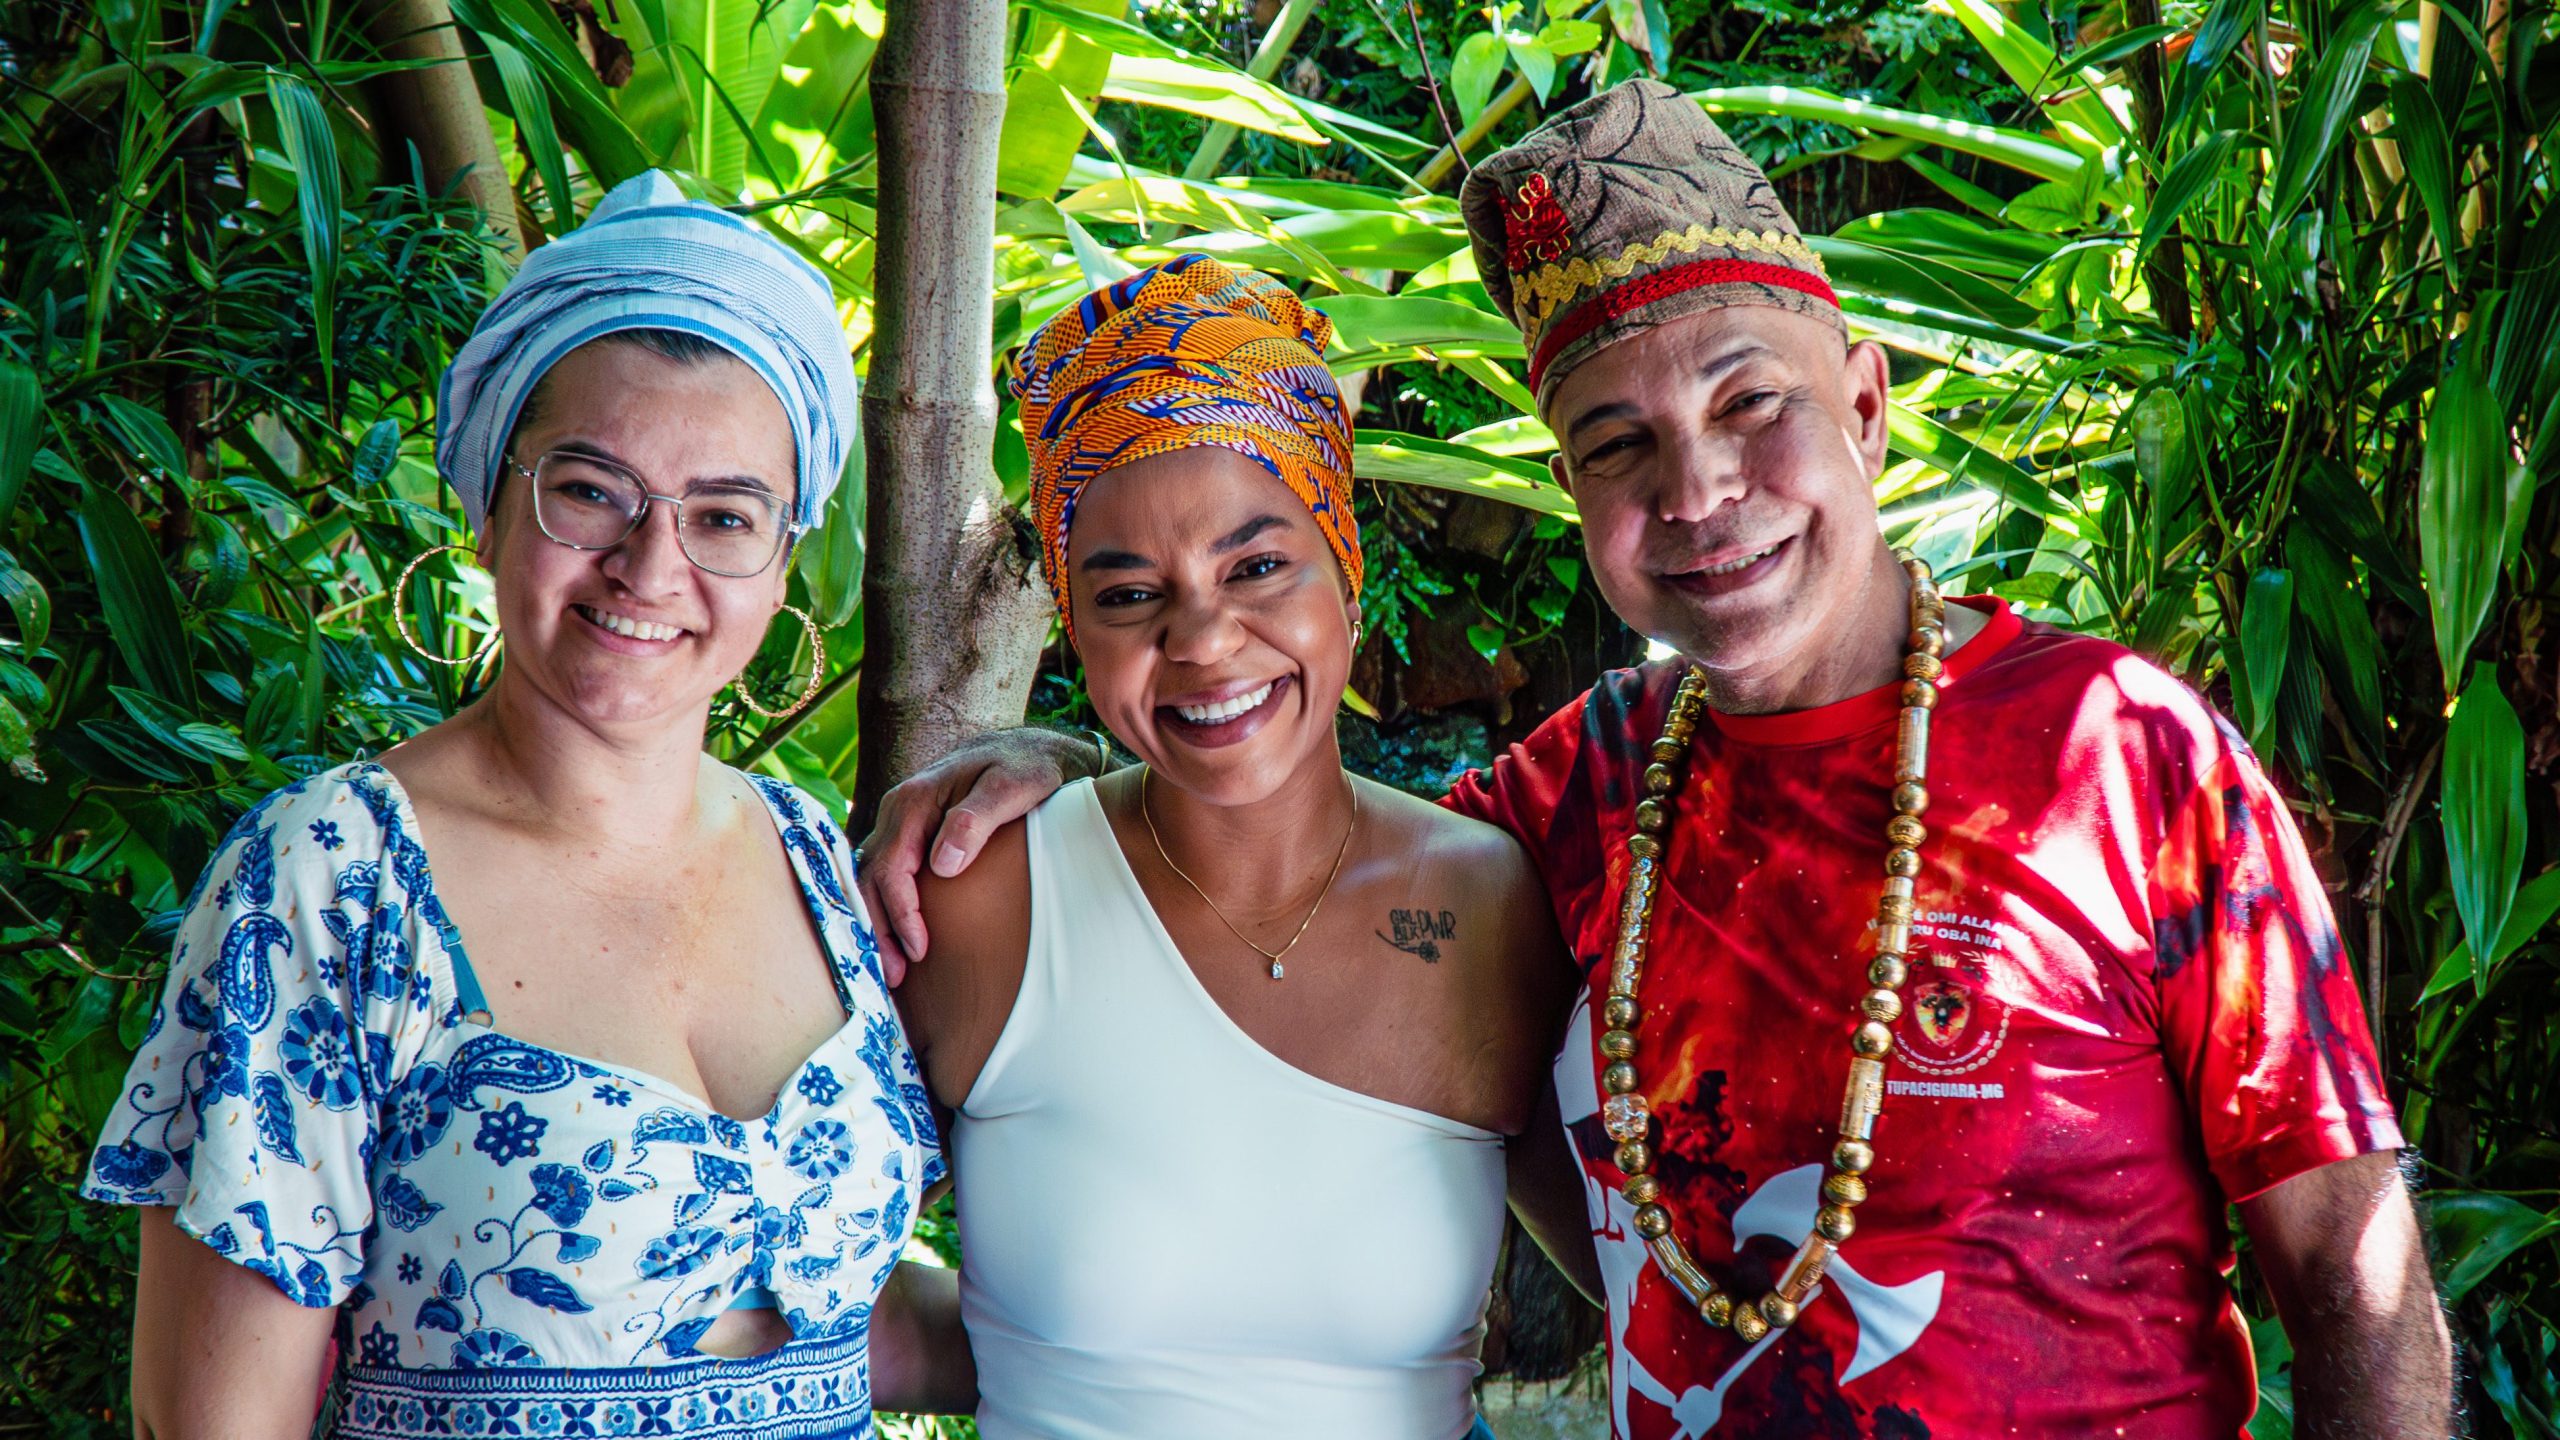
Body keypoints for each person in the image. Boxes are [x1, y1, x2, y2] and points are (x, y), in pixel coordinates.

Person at [855, 82, 2454, 1439]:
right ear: (1570, 489)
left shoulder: (2125, 760)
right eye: (1617, 445)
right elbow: (1264, 835)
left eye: (1750, 405)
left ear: (1867, 406)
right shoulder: (1580, 797)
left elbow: (2350, 1272)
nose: (1699, 492)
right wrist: (1058, 751)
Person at [82, 172, 964, 1440]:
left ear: (783, 563)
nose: (651, 567)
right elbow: (217, 1422)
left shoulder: (810, 852)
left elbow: (822, 1318)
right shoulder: (332, 878)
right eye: (591, 490)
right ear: (490, 502)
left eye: (724, 515)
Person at [891, 253, 1584, 1440]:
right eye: (1125, 596)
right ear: (1073, 619)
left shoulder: (1489, 906)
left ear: (1343, 573)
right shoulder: (980, 899)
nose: (1204, 638)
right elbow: (783, 1264)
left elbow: (1663, 1286)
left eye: (1257, 566)